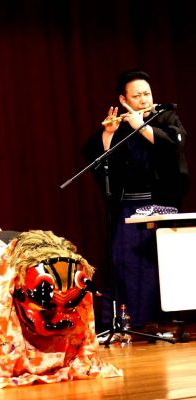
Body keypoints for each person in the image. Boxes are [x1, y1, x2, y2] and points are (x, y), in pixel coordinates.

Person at [83, 69, 189, 331]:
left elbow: (174, 145)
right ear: (123, 100)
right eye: (137, 96)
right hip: (128, 207)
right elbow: (99, 161)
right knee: (125, 265)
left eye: (147, 94)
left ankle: (160, 322)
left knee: (158, 268)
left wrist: (141, 126)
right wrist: (108, 135)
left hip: (161, 205)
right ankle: (125, 323)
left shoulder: (165, 117)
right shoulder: (120, 126)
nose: (143, 100)